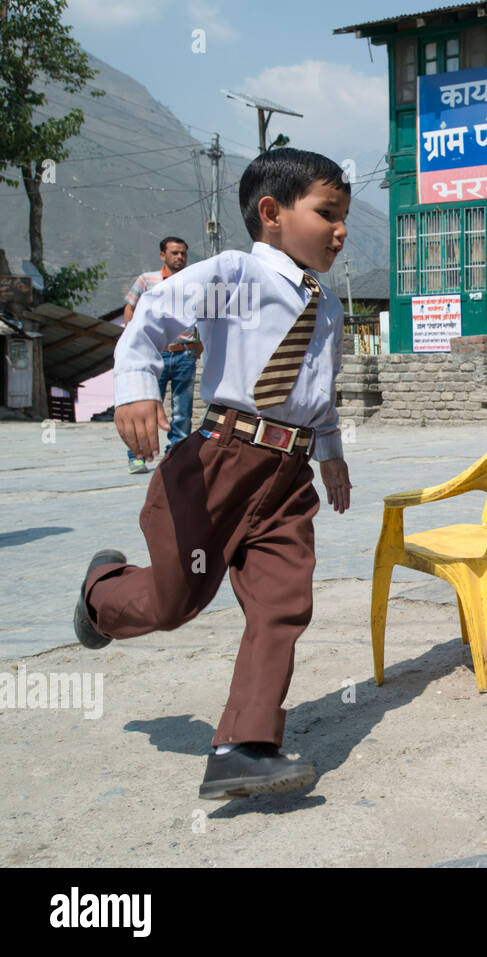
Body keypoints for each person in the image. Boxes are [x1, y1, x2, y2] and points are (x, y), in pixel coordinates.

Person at [74, 148, 354, 800]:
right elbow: (153, 318)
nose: (341, 229)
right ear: (271, 213)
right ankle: (100, 592)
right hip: (219, 462)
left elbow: (319, 392)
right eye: (327, 213)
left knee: (283, 605)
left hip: (288, 477)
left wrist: (332, 453)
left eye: (344, 217)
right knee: (175, 604)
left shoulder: (330, 306)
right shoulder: (238, 275)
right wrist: (137, 388)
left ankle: (243, 745)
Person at [122, 237, 199, 472]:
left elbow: (201, 315)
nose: (180, 257)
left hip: (184, 353)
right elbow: (130, 308)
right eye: (175, 253)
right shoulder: (147, 280)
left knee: (182, 411)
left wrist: (199, 344)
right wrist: (133, 341)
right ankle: (137, 456)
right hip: (155, 353)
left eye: (183, 253)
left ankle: (175, 458)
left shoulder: (193, 282)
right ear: (162, 255)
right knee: (144, 405)